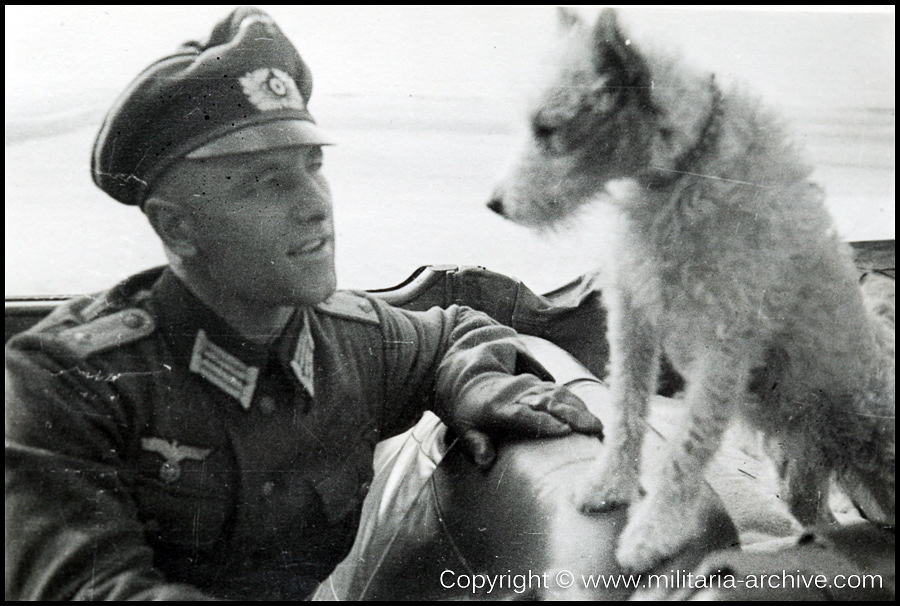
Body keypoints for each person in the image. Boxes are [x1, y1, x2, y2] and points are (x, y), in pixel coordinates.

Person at [4, 7, 603, 601]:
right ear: (177, 228)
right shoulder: (66, 381)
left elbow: (452, 332)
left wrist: (474, 388)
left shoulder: (348, 342)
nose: (315, 203)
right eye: (267, 182)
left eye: (313, 165)